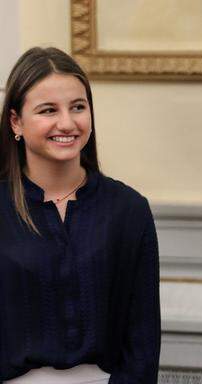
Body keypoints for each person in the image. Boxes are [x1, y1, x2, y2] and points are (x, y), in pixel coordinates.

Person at [0, 47, 160, 383]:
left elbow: (142, 339)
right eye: (48, 110)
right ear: (16, 121)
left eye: (78, 107)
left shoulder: (128, 210)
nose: (67, 123)